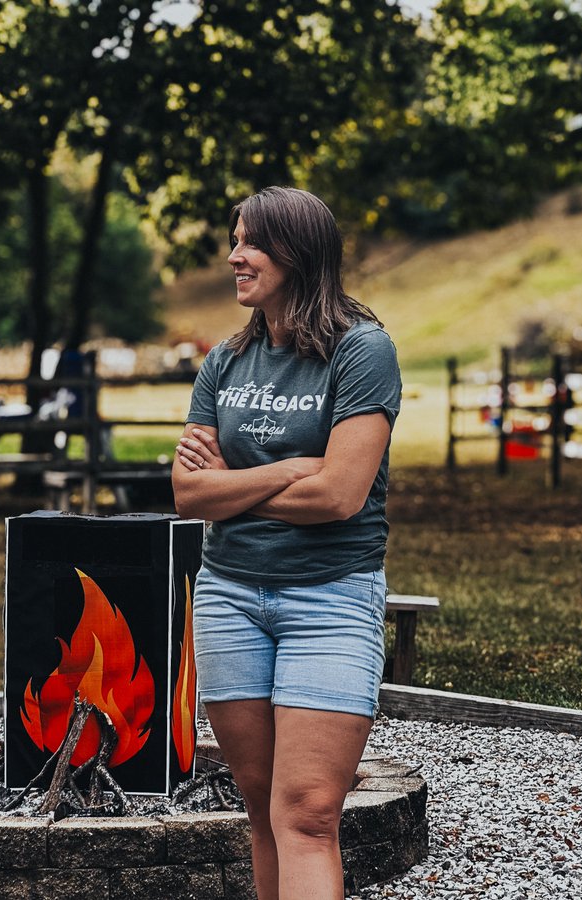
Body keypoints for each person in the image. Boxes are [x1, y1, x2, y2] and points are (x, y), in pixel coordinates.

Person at [173, 186, 402, 900]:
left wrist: (238, 485)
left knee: (306, 814)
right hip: (229, 598)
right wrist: (291, 470)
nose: (234, 256)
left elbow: (340, 496)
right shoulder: (227, 360)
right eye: (235, 239)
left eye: (249, 242)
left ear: (297, 254)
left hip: (331, 600)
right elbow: (188, 495)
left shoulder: (361, 351)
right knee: (262, 809)